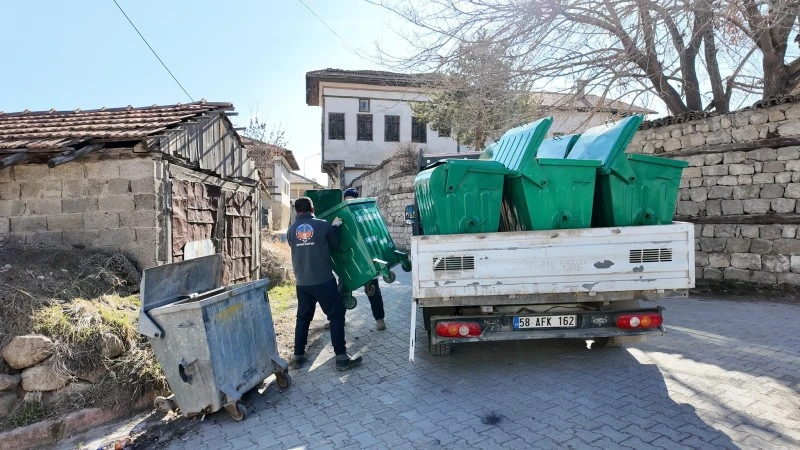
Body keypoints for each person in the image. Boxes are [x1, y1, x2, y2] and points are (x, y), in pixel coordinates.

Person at [287, 197, 362, 371]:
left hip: (302, 283)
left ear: (296, 211)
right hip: (323, 281)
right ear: (312, 209)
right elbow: (335, 246)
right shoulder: (324, 225)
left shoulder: (291, 229)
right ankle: (342, 357)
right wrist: (335, 227)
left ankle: (298, 356)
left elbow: (297, 247)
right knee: (335, 316)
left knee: (303, 318)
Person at [342, 188, 387, 331]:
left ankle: (380, 319)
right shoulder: (341, 216)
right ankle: (338, 320)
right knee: (342, 290)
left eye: (350, 200)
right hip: (349, 260)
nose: (348, 202)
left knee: (373, 289)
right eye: (346, 200)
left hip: (366, 258)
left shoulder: (363, 215)